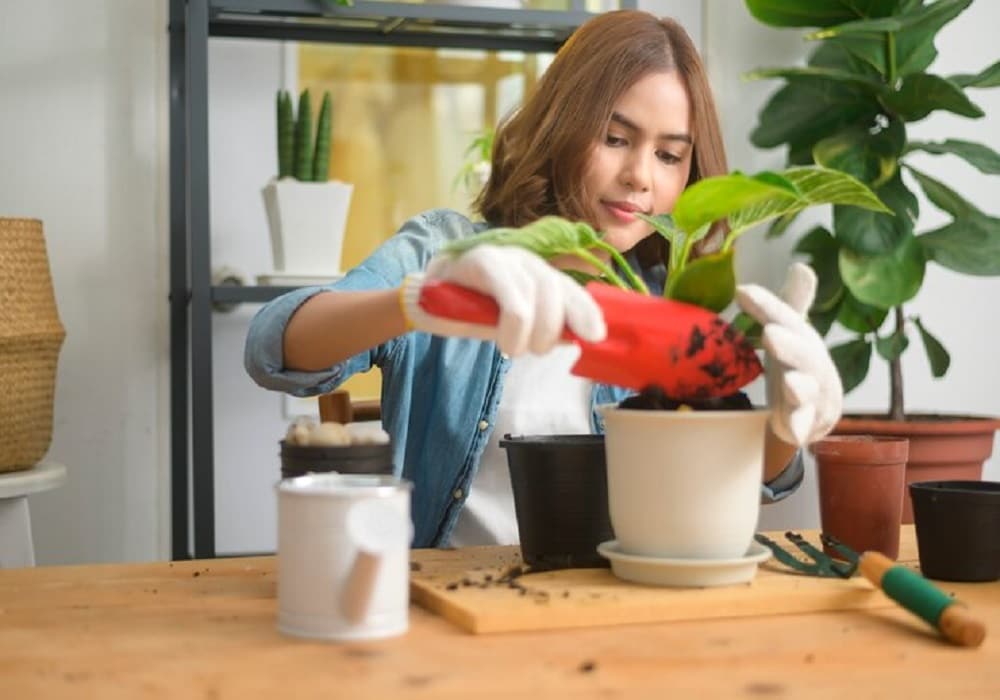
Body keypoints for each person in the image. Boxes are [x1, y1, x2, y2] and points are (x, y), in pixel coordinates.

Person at [245, 10, 842, 549]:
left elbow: (748, 480)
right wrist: (420, 300)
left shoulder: (667, 299)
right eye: (615, 138)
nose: (639, 176)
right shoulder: (446, 251)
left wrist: (786, 422)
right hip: (448, 606)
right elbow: (273, 345)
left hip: (610, 611)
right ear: (562, 125)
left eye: (668, 155)